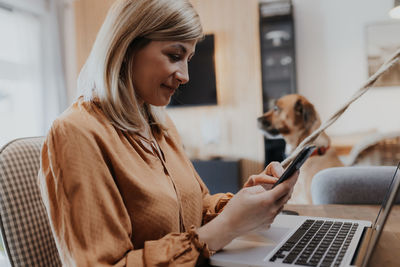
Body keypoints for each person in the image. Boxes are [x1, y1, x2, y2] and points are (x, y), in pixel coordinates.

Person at [38, 0, 299, 266]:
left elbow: (194, 207)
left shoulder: (159, 125)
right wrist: (227, 227)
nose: (185, 75)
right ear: (126, 47)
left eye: (188, 59)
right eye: (174, 56)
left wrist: (242, 205)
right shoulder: (76, 133)